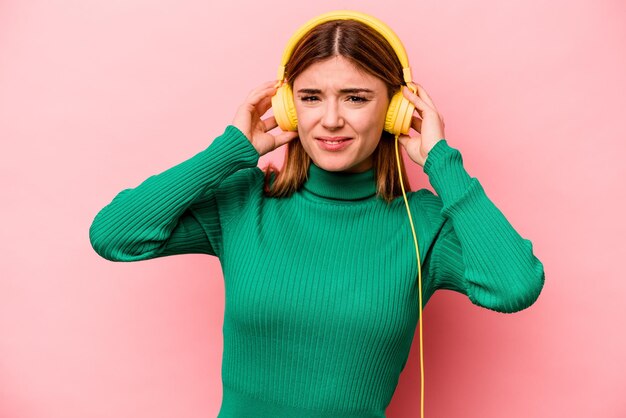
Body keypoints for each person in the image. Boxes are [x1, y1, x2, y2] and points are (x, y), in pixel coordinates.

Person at [89, 11, 545, 418]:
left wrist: (443, 163)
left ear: (396, 110)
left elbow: (514, 286)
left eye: (356, 97)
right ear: (288, 106)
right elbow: (114, 235)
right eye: (310, 97)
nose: (330, 120)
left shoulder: (423, 223)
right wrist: (229, 151)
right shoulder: (246, 200)